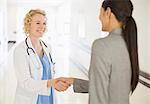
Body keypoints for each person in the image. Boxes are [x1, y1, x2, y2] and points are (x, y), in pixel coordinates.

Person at [58, 0, 139, 104]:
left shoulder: (102, 45)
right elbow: (109, 86)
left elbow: (98, 96)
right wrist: (74, 81)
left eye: (100, 12)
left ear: (108, 12)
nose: (99, 17)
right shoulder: (129, 44)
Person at [13, 9, 69, 104]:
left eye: (44, 23)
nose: (42, 27)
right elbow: (25, 82)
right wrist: (52, 82)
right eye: (38, 23)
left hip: (48, 95)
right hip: (32, 98)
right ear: (28, 25)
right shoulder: (20, 50)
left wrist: (56, 83)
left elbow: (50, 72)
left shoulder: (48, 47)